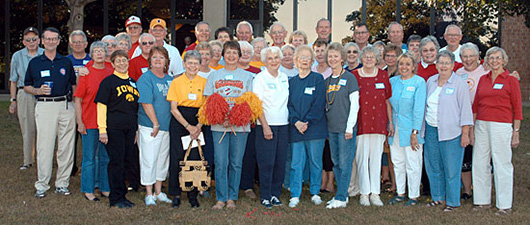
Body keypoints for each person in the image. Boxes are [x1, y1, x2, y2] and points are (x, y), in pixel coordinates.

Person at [24, 27, 77, 198]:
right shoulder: (35, 62)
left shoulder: (65, 62)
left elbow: (74, 84)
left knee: (66, 147)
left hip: (65, 105)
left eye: (54, 39)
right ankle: (42, 184)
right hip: (45, 106)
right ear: (42, 40)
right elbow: (26, 86)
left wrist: (75, 105)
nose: (51, 41)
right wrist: (38, 90)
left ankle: (62, 184)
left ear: (59, 41)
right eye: (48, 39)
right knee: (44, 146)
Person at [472, 47, 522, 216]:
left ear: (504, 60)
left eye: (497, 58)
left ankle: (504, 204)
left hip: (501, 125)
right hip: (481, 124)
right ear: (487, 60)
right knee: (480, 162)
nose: (494, 61)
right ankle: (481, 201)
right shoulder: (483, 79)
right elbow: (476, 104)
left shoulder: (510, 80)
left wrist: (516, 131)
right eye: (491, 58)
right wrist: (471, 127)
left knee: (501, 163)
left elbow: (518, 108)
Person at [204, 41, 254, 209]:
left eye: (234, 52)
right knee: (220, 162)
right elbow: (208, 101)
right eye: (228, 52)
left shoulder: (248, 77)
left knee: (236, 162)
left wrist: (235, 118)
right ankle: (220, 197)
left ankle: (232, 197)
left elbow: (250, 103)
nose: (231, 56)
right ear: (223, 55)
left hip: (240, 127)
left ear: (239, 56)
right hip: (219, 127)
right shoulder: (214, 75)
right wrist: (220, 118)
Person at [423, 50, 473, 212]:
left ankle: (452, 201)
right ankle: (438, 197)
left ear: (452, 65)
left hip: (452, 132)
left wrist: (465, 133)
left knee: (451, 168)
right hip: (431, 130)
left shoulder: (459, 83)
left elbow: (466, 110)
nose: (443, 66)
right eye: (440, 63)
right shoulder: (430, 81)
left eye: (447, 63)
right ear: (436, 65)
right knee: (433, 166)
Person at [94, 50, 140, 208]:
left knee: (127, 161)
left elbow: (134, 109)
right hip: (114, 129)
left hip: (129, 129)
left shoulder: (132, 82)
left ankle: (123, 195)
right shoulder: (108, 82)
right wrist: (102, 129)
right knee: (116, 162)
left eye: (124, 60)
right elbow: (101, 106)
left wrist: (135, 130)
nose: (122, 63)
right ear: (112, 64)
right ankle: (116, 198)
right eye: (118, 61)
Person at [287, 45, 327, 208]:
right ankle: (295, 194)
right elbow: (288, 105)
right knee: (296, 163)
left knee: (315, 162)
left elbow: (319, 104)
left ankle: (315, 192)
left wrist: (306, 122)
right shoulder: (291, 82)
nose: (304, 60)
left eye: (307, 58)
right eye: (301, 58)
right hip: (296, 129)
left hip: (315, 128)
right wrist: (296, 122)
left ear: (312, 60)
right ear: (296, 61)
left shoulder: (317, 79)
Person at [166, 50, 207, 208]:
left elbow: (205, 107)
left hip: (197, 122)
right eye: (189, 63)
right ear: (184, 64)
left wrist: (198, 126)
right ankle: (176, 193)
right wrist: (187, 126)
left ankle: (193, 194)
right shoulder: (176, 82)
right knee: (177, 157)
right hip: (180, 122)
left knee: (195, 159)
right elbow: (173, 108)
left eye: (196, 63)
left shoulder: (203, 82)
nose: (192, 66)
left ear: (199, 65)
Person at [74, 41, 113, 202]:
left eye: (102, 51)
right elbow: (78, 99)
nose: (99, 53)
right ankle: (88, 189)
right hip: (89, 121)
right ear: (91, 54)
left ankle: (104, 187)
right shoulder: (86, 73)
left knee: (105, 157)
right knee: (89, 157)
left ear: (106, 54)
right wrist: (79, 121)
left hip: (107, 122)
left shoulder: (111, 71)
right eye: (96, 51)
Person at [353, 46, 392, 207]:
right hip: (361, 123)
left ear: (377, 59)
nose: (369, 59)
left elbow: (387, 100)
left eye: (372, 56)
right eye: (366, 56)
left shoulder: (383, 75)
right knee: (362, 159)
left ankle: (375, 193)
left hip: (379, 122)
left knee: (376, 159)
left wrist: (390, 122)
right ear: (361, 59)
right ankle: (364, 193)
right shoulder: (354, 76)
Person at [324, 42, 360, 209]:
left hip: (346, 130)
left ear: (342, 58)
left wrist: (349, 127)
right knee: (336, 161)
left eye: (336, 56)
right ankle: (342, 195)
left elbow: (355, 105)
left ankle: (341, 196)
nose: (332, 59)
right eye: (330, 56)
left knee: (345, 163)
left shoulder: (350, 78)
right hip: (332, 128)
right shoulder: (328, 80)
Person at [387, 52, 426, 206]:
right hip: (395, 129)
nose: (404, 67)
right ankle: (400, 193)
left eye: (407, 64)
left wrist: (415, 132)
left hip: (411, 129)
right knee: (397, 161)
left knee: (413, 163)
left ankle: (414, 195)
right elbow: (388, 103)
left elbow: (419, 109)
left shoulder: (419, 82)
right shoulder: (392, 82)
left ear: (413, 66)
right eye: (401, 64)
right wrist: (390, 122)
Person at [253, 46, 289, 208]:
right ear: (265, 61)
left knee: (280, 162)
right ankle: (265, 196)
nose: (274, 61)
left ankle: (275, 194)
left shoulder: (284, 77)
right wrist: (265, 126)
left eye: (276, 58)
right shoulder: (260, 78)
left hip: (284, 125)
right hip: (266, 126)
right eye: (270, 58)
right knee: (267, 162)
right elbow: (257, 105)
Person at [136, 46, 173, 206]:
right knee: (149, 159)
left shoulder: (170, 79)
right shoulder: (145, 79)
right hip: (150, 127)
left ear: (166, 61)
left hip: (167, 127)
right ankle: (149, 193)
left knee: (162, 160)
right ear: (149, 61)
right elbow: (146, 102)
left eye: (161, 57)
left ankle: (159, 191)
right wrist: (155, 123)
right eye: (155, 57)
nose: (158, 60)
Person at [455, 42, 488, 200]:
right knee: (466, 155)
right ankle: (467, 190)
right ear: (460, 58)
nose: (468, 59)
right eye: (465, 56)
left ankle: (484, 188)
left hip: (482, 118)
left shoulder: (486, 71)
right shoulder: (457, 72)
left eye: (471, 56)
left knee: (483, 154)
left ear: (477, 57)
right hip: (462, 120)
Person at [9, 27, 44, 170]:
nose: (31, 42)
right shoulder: (17, 56)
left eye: (34, 39)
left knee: (44, 129)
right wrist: (13, 100)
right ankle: (28, 160)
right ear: (23, 42)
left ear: (39, 40)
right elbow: (13, 80)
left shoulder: (45, 54)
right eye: (28, 40)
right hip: (25, 93)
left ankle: (44, 158)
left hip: (43, 93)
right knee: (27, 128)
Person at [238, 40, 260, 199]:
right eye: (242, 51)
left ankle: (247, 185)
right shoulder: (230, 71)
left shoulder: (258, 72)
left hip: (251, 121)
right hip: (232, 121)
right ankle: (232, 183)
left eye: (248, 51)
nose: (245, 54)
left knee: (249, 154)